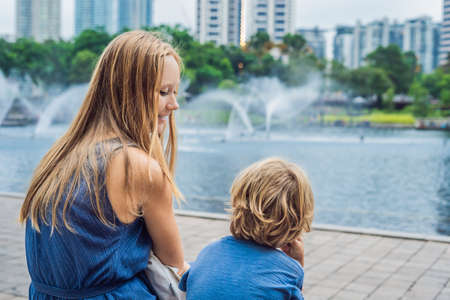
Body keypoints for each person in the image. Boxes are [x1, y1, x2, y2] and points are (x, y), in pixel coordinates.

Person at [19, 30, 189, 299]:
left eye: (175, 92)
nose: (174, 104)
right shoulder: (138, 168)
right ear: (129, 91)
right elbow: (175, 274)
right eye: (163, 91)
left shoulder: (60, 155)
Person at [179, 158, 314, 300]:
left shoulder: (208, 252)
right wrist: (296, 264)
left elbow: (185, 288)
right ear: (296, 220)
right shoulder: (289, 270)